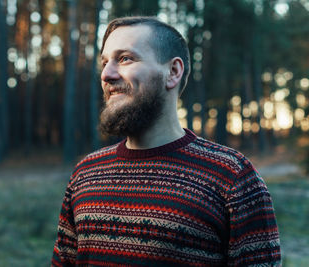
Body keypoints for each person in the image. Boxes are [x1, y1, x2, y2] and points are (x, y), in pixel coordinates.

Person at [52, 16, 281, 266]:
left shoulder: (232, 176)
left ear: (172, 72)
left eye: (125, 58)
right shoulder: (86, 173)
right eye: (105, 62)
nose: (106, 74)